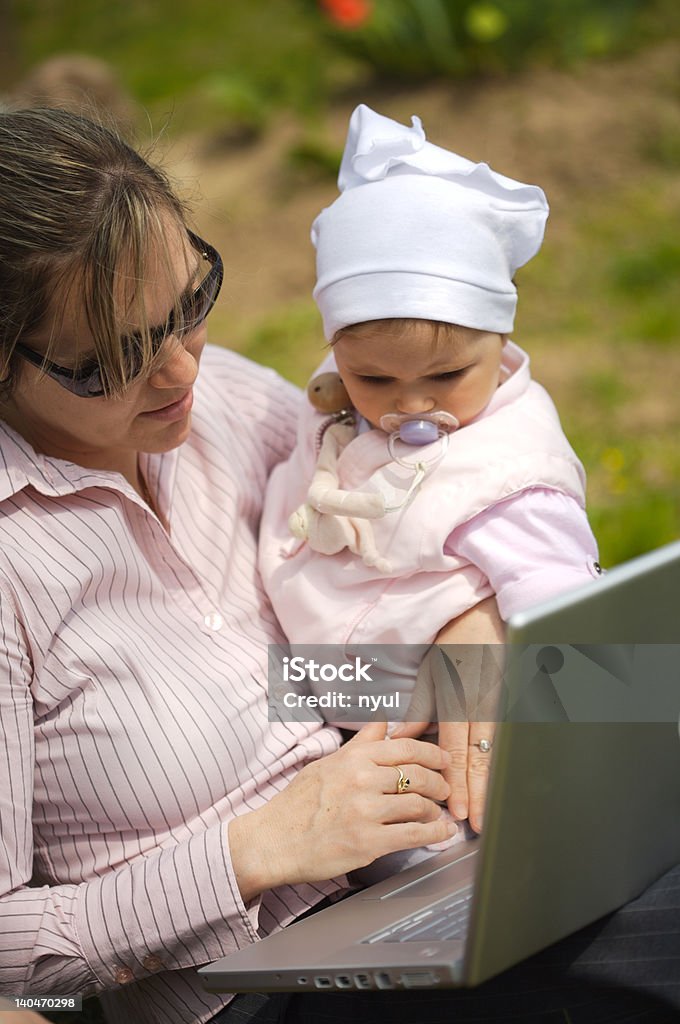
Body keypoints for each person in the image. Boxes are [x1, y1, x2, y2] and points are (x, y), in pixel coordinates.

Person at [0, 107, 676, 1024]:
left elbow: (298, 677)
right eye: (113, 359)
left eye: (188, 307)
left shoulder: (230, 399)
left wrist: (459, 622)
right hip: (250, 987)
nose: (178, 373)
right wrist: (261, 847)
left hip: (422, 873)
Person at [258, 104, 601, 840]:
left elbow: (563, 606)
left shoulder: (506, 470)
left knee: (456, 840)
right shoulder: (333, 412)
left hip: (454, 724)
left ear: (501, 338)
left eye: (446, 374)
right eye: (373, 379)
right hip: (334, 706)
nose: (410, 404)